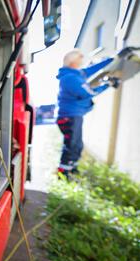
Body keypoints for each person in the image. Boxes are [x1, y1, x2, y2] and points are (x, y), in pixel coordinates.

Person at [56, 49, 117, 177]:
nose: (82, 61)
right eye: (79, 59)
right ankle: (63, 174)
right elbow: (87, 92)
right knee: (72, 145)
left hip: (74, 116)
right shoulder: (70, 78)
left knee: (77, 145)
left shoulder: (76, 74)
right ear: (73, 62)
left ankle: (72, 169)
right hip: (69, 117)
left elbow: (91, 69)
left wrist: (112, 59)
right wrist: (107, 84)